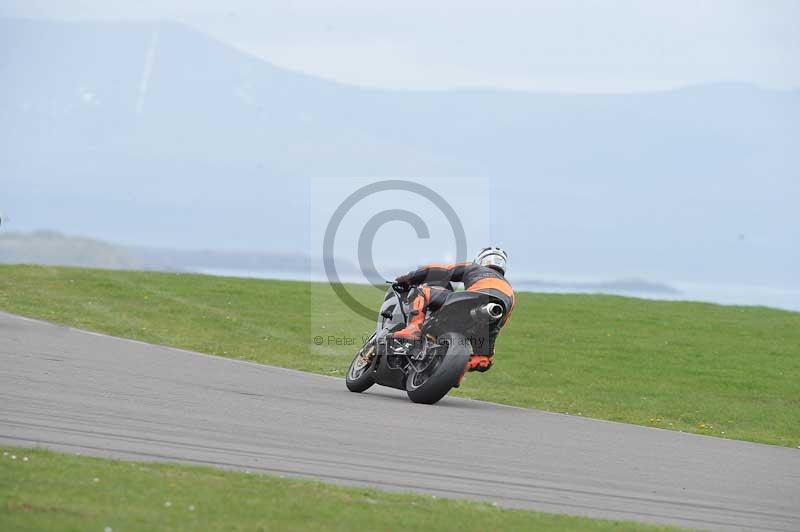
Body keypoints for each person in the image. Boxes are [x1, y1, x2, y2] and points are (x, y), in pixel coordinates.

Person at [391, 246, 514, 373]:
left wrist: (408, 278)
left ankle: (413, 329)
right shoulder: (510, 291)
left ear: (481, 260)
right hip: (489, 322)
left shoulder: (475, 268)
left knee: (422, 292)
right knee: (483, 360)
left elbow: (441, 270)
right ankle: (457, 371)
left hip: (468, 302)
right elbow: (500, 323)